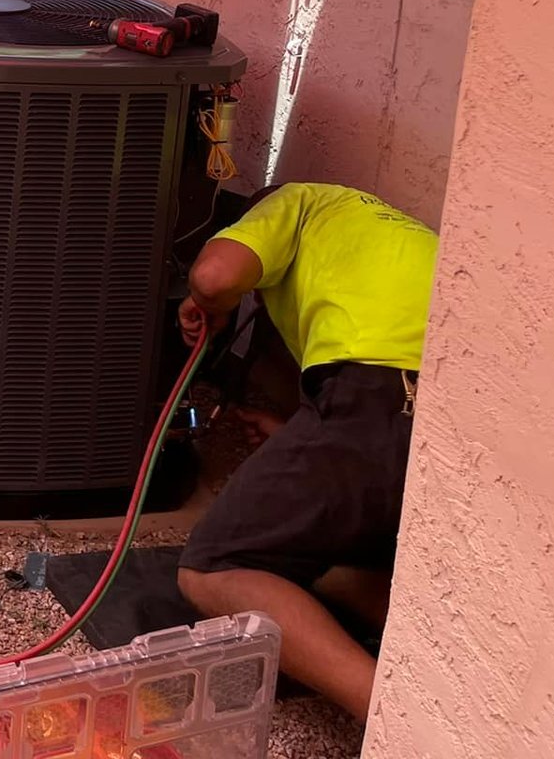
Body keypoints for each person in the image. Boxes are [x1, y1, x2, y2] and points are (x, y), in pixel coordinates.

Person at [176, 182, 437, 721]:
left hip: (377, 398)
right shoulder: (395, 229)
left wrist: (207, 304)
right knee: (338, 552)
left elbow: (215, 275)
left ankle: (399, 719)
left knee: (212, 565)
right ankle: (443, 664)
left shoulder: (295, 201)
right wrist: (297, 432)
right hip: (459, 415)